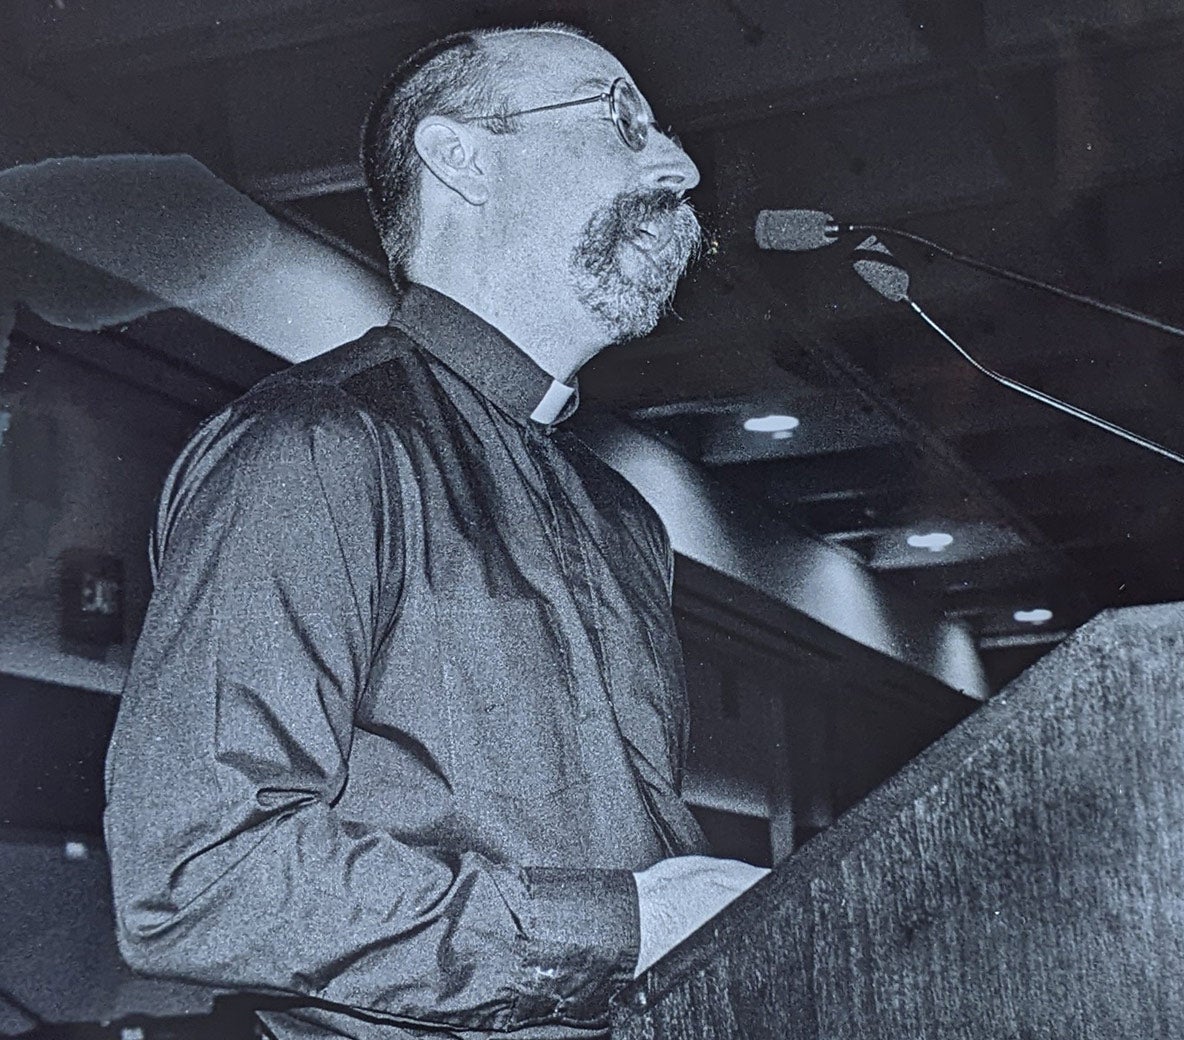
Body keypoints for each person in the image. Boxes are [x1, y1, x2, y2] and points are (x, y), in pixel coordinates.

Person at [103, 23, 766, 1040]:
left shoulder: (624, 517)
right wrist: (621, 925)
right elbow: (200, 870)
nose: (677, 164)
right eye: (622, 120)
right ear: (460, 156)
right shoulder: (312, 446)